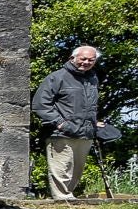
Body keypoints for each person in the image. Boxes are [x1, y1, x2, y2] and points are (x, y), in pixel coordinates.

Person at [32, 44, 108, 199]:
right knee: (61, 171)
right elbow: (40, 104)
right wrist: (61, 123)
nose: (86, 62)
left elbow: (88, 106)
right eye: (83, 58)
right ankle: (63, 203)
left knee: (76, 172)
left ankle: (68, 202)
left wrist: (93, 122)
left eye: (91, 60)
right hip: (60, 133)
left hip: (85, 134)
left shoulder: (93, 79)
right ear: (72, 58)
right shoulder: (57, 77)